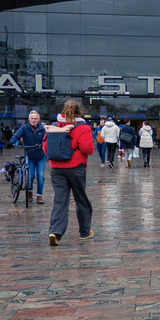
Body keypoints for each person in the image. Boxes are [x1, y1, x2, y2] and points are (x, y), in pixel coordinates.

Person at [44, 100, 96, 246]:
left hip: (56, 168)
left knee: (60, 201)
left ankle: (55, 232)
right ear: (80, 112)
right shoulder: (83, 127)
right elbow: (88, 149)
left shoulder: (55, 125)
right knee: (81, 199)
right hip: (76, 168)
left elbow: (46, 148)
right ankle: (85, 232)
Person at [11, 110, 47, 203]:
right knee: (30, 176)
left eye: (35, 118)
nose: (34, 120)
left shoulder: (43, 129)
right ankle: (30, 192)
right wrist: (11, 142)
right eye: (32, 118)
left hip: (40, 156)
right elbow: (16, 136)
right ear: (29, 119)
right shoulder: (24, 128)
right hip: (29, 156)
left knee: (40, 176)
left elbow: (48, 139)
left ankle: (39, 196)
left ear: (39, 119)